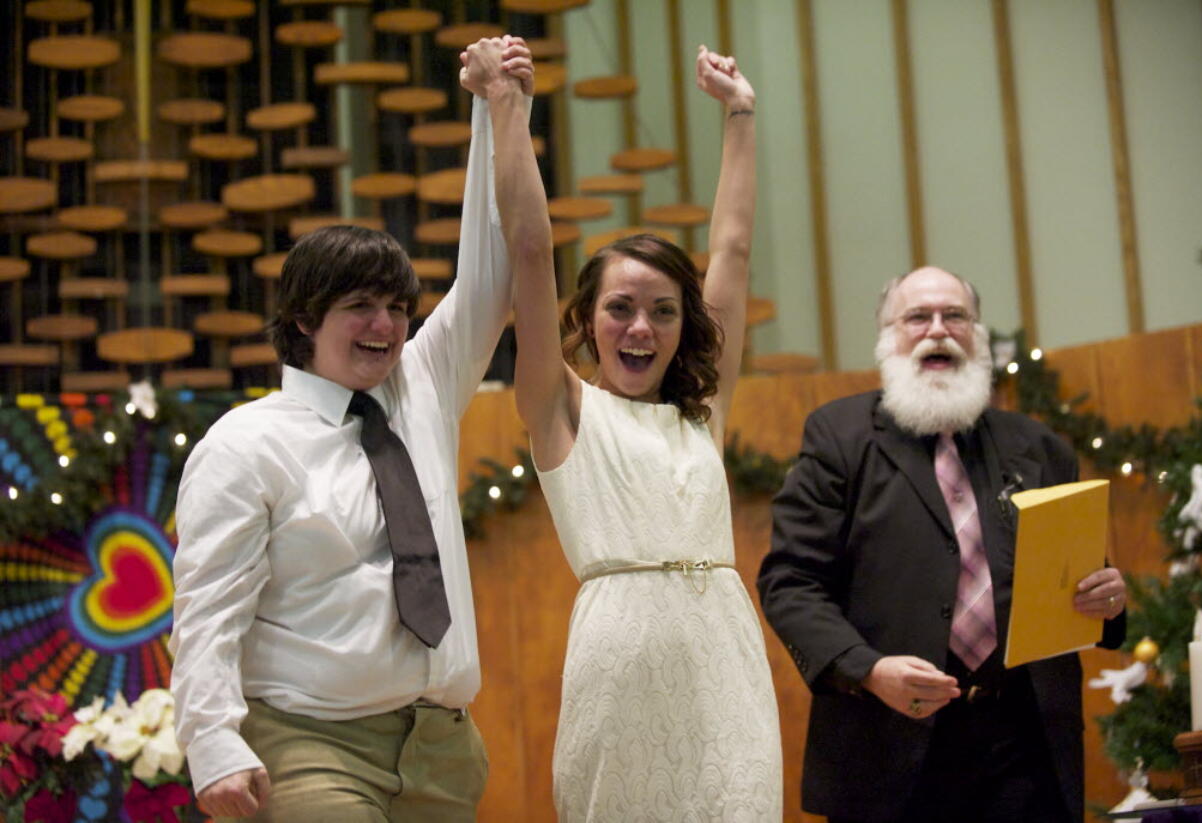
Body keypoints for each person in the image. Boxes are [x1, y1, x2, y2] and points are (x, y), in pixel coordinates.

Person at [167, 39, 534, 822]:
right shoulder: (244, 443)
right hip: (307, 743)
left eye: (399, 307)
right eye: (361, 308)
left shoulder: (422, 386)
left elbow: (493, 277)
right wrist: (213, 742)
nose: (388, 326)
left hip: (443, 749)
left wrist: (495, 107)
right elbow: (207, 611)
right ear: (304, 319)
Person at [464, 35, 782, 820]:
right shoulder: (560, 407)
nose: (641, 327)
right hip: (617, 665)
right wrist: (508, 106)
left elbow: (734, 251)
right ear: (589, 320)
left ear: (684, 327)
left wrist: (740, 116)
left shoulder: (701, 414)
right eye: (620, 307)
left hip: (727, 666)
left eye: (663, 311)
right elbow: (530, 251)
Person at [758, 265, 1128, 823]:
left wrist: (1109, 599)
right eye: (917, 317)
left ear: (976, 336)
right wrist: (868, 669)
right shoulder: (839, 437)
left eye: (955, 316)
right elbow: (790, 582)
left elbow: (1079, 578)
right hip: (889, 745)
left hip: (1024, 751)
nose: (938, 330)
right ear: (889, 338)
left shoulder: (1039, 447)